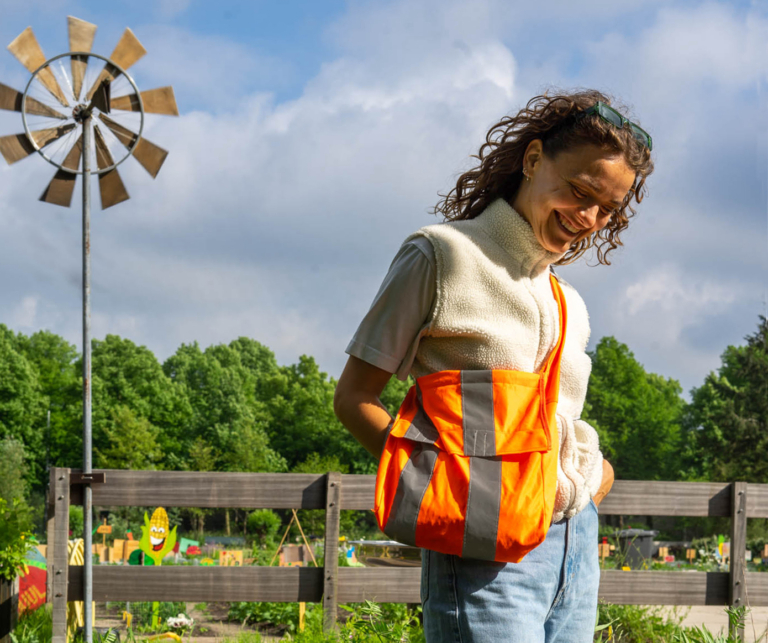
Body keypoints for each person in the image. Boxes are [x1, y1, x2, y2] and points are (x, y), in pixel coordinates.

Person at [333, 89, 654, 642]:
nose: (590, 217)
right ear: (533, 160)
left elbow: (552, 422)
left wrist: (590, 483)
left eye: (608, 209)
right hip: (484, 556)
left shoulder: (569, 301)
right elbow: (354, 399)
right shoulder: (439, 255)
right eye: (581, 191)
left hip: (575, 551)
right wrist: (451, 493)